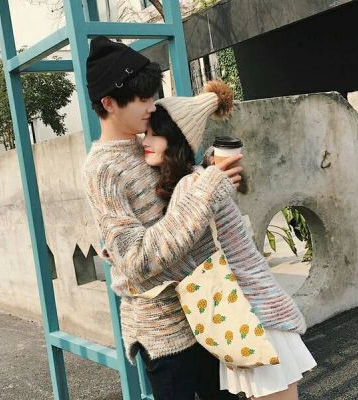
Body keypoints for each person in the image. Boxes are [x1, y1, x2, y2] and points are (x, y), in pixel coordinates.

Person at [82, 36, 241, 399]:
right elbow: (137, 260)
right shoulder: (102, 169)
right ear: (108, 102)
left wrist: (207, 175)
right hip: (166, 332)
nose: (152, 106)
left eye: (152, 95)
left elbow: (184, 204)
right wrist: (204, 191)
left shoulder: (152, 138)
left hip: (211, 311)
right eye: (142, 98)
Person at [141, 80, 317, 400]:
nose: (146, 141)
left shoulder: (191, 186)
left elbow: (170, 254)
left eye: (154, 134)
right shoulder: (199, 179)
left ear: (176, 139)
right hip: (248, 315)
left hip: (252, 317)